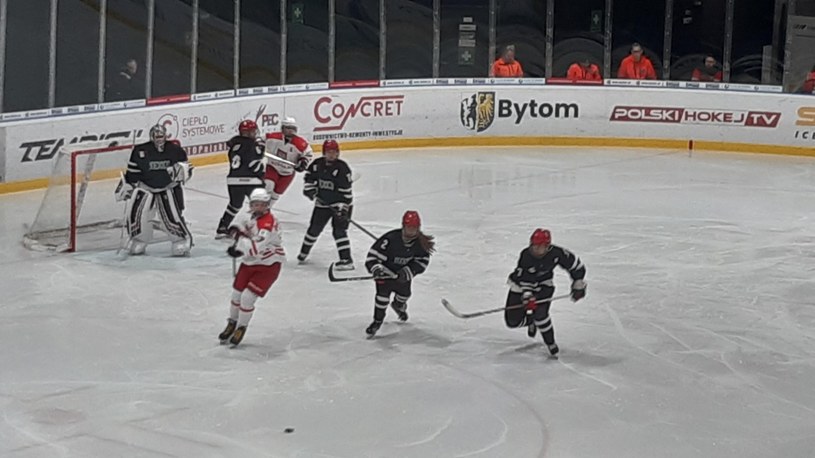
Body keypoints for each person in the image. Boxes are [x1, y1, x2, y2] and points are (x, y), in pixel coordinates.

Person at [218, 188, 286, 346]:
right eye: (255, 204)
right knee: (236, 295)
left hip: (268, 265)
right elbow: (239, 224)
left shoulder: (268, 224)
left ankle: (242, 326)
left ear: (267, 205)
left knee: (247, 298)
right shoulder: (251, 216)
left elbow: (257, 247)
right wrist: (235, 231)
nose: (257, 207)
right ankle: (232, 323)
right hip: (250, 263)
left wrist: (238, 248)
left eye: (261, 205)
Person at [505, 228, 586, 357]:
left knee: (541, 314)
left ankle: (551, 343)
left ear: (548, 246)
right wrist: (528, 296)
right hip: (519, 286)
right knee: (512, 322)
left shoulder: (557, 253)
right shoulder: (526, 255)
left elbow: (576, 266)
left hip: (544, 286)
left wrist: (578, 283)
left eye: (540, 247)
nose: (536, 249)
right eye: (534, 246)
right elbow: (526, 279)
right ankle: (531, 320)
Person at [115, 124, 192, 256]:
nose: (159, 139)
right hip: (146, 188)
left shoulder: (175, 150)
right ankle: (139, 240)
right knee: (138, 216)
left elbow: (185, 170)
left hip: (167, 188)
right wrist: (127, 186)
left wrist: (182, 175)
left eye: (161, 136)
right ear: (151, 137)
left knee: (172, 216)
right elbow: (133, 173)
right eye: (156, 136)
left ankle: (180, 240)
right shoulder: (140, 151)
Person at [363, 211, 435, 337]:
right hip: (385, 274)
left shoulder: (420, 244)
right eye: (409, 227)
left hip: (402, 276)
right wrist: (376, 268)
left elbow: (422, 262)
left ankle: (398, 305)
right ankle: (377, 321)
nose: (411, 231)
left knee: (404, 295)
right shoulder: (390, 239)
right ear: (403, 226)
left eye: (414, 228)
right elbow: (372, 256)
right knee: (382, 298)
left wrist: (409, 271)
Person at [296, 139, 354, 269]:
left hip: (340, 205)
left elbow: (347, 193)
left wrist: (343, 208)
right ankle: (303, 253)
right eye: (329, 152)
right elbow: (309, 178)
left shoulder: (342, 169)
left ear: (338, 153)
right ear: (324, 152)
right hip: (322, 204)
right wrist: (309, 190)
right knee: (314, 229)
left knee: (339, 231)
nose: (331, 155)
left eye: (334, 152)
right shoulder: (317, 165)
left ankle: (347, 260)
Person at [215, 120, 266, 238]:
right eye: (253, 131)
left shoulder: (234, 145)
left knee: (235, 204)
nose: (254, 133)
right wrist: (262, 172)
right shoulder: (251, 145)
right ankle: (262, 229)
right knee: (260, 205)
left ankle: (222, 228)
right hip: (251, 180)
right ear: (248, 133)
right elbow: (253, 164)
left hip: (233, 180)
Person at [264, 117, 313, 206]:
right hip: (273, 167)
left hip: (288, 173)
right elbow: (260, 140)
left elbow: (308, 153)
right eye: (288, 128)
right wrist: (258, 146)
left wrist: (303, 162)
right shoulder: (273, 137)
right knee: (268, 186)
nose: (291, 131)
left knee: (276, 193)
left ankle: (267, 210)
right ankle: (259, 209)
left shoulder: (300, 143)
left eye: (292, 128)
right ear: (282, 128)